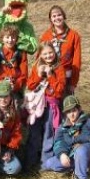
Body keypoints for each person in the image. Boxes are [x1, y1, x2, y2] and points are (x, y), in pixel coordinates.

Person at [25, 41, 66, 169]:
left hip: (51, 104)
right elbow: (30, 85)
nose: (48, 56)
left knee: (49, 132)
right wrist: (38, 75)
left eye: (50, 53)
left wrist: (49, 75)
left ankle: (45, 161)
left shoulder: (59, 68)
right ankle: (31, 159)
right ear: (40, 55)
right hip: (37, 105)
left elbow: (59, 90)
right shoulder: (37, 66)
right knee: (34, 131)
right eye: (45, 54)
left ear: (54, 52)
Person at [40, 5, 81, 96]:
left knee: (67, 106)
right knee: (52, 106)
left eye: (59, 15)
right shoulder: (46, 36)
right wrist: (40, 76)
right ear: (50, 19)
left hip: (67, 77)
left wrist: (73, 82)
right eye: (54, 16)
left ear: (64, 16)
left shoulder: (73, 35)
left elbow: (76, 61)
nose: (57, 18)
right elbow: (40, 58)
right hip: (50, 76)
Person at [0, 25, 28, 108]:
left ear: (17, 38)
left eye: (13, 37)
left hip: (16, 89)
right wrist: (1, 83)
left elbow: (24, 74)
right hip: (0, 89)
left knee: (17, 109)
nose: (10, 40)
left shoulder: (21, 54)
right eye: (7, 37)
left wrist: (15, 85)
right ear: (2, 38)